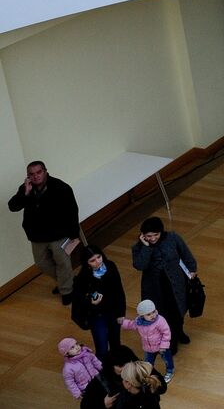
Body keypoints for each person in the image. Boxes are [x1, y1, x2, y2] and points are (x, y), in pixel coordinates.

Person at [8, 160, 80, 304]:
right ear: (28, 176)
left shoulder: (61, 187)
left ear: (45, 171)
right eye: (32, 174)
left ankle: (67, 290)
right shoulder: (25, 189)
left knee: (62, 263)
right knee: (42, 264)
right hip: (37, 236)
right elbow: (13, 206)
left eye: (39, 172)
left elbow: (72, 211)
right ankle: (67, 281)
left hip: (58, 235)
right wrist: (25, 193)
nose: (36, 176)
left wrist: (73, 234)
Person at [130, 217, 196, 350]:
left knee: (179, 309)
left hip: (176, 281)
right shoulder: (138, 247)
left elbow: (185, 253)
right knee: (162, 314)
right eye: (149, 236)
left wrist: (192, 269)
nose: (153, 238)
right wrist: (146, 247)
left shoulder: (173, 238)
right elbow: (140, 265)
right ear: (143, 235)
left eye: (156, 234)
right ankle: (170, 340)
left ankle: (179, 331)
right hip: (155, 287)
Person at [71, 245, 126, 361]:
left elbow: (119, 291)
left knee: (116, 344)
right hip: (96, 315)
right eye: (92, 260)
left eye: (99, 257)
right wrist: (91, 302)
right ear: (86, 263)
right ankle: (102, 374)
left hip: (113, 312)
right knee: (102, 349)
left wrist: (121, 313)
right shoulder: (83, 277)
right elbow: (79, 298)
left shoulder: (110, 266)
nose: (97, 262)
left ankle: (116, 369)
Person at [119, 299, 173, 384]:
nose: (153, 315)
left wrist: (164, 346)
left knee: (167, 359)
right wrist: (123, 322)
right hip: (148, 348)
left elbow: (166, 333)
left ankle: (169, 371)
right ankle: (147, 375)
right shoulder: (139, 322)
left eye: (154, 312)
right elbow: (132, 325)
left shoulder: (160, 321)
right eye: (148, 314)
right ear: (141, 316)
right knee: (148, 363)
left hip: (161, 347)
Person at [78, 343, 139, 409]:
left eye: (127, 365)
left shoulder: (138, 371)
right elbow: (84, 406)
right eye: (120, 366)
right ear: (111, 366)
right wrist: (103, 404)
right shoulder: (99, 382)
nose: (125, 369)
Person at [59, 336, 103, 401]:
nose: (77, 347)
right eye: (72, 348)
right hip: (85, 387)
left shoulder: (86, 354)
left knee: (104, 392)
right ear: (66, 353)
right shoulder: (68, 368)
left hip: (97, 378)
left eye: (76, 344)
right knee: (94, 400)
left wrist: (102, 368)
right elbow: (70, 382)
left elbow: (95, 360)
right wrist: (77, 393)